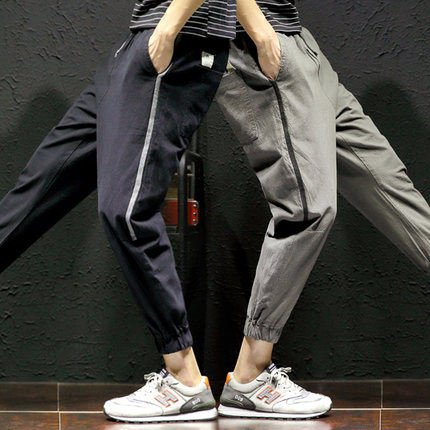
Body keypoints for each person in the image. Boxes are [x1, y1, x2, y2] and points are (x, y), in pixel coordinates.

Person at [1, 0, 429, 423]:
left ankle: (225, 379)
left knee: (386, 191)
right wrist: (199, 29)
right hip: (195, 39)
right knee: (51, 187)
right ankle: (232, 377)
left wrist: (255, 32)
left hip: (284, 42)